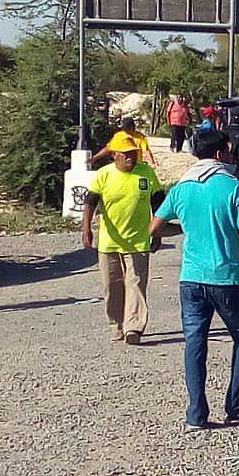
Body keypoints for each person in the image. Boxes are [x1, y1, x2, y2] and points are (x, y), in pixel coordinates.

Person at [150, 130, 239, 431]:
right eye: (228, 151)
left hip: (190, 278)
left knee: (194, 343)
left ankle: (196, 414)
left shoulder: (181, 188)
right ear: (220, 154)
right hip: (226, 277)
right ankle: (237, 405)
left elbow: (154, 228)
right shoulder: (232, 187)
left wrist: (187, 229)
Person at [80, 134, 163, 345]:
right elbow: (90, 203)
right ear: (114, 155)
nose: (130, 158)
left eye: (133, 153)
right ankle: (116, 324)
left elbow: (159, 204)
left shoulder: (145, 173)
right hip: (109, 241)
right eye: (125, 154)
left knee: (136, 283)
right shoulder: (103, 175)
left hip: (139, 239)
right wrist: (86, 228)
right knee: (112, 286)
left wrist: (158, 232)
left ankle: (134, 326)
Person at [92, 117, 158, 167]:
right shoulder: (119, 135)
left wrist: (152, 163)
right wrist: (95, 158)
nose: (126, 130)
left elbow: (146, 151)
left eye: (128, 128)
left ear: (133, 127)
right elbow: (108, 149)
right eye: (124, 128)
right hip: (121, 165)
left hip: (136, 166)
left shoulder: (140, 137)